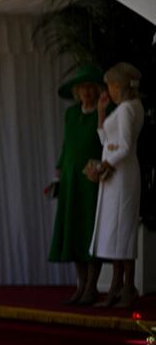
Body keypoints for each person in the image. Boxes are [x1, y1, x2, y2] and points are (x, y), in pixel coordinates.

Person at [48, 63, 104, 304]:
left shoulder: (104, 111)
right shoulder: (71, 114)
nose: (87, 92)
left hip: (92, 179)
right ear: (77, 92)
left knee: (91, 231)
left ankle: (92, 286)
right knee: (74, 231)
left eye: (90, 87)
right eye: (82, 88)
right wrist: (59, 168)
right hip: (71, 178)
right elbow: (67, 143)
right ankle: (80, 286)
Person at [89, 62, 144, 308]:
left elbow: (125, 146)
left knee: (122, 230)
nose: (108, 90)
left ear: (119, 86)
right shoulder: (127, 107)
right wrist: (101, 113)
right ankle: (117, 287)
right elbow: (106, 141)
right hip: (116, 174)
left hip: (121, 175)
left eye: (111, 85)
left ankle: (125, 287)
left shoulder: (127, 108)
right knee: (115, 230)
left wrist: (104, 165)